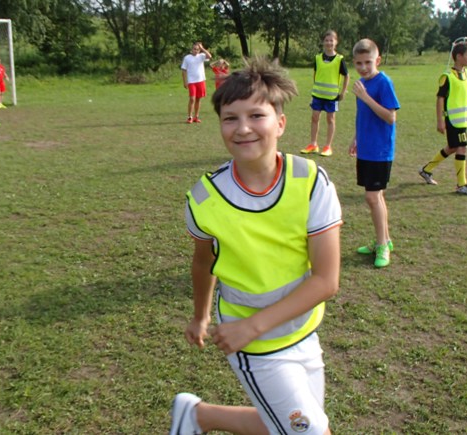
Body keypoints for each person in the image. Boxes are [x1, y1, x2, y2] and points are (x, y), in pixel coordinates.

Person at [170, 57, 342, 435]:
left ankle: (198, 416)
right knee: (310, 431)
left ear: (280, 123)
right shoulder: (204, 198)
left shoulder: (311, 181)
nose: (243, 128)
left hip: (302, 329)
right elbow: (203, 262)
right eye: (230, 118)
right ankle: (196, 416)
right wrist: (201, 316)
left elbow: (326, 280)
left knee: (298, 427)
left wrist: (255, 325)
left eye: (256, 115)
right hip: (253, 342)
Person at [348, 39, 400, 268]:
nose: (363, 68)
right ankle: (384, 240)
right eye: (359, 63)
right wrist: (356, 138)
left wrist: (366, 97)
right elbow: (364, 115)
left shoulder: (383, 82)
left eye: (368, 62)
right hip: (367, 148)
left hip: (380, 150)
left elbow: (390, 117)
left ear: (377, 60)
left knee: (372, 197)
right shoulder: (361, 83)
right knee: (376, 197)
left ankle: (381, 246)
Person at [418, 41, 467, 196]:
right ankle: (462, 185)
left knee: (453, 147)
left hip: (463, 120)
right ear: (458, 56)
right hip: (452, 120)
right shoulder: (448, 77)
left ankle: (426, 170)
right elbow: (440, 99)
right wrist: (440, 120)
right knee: (462, 147)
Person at [300, 30, 349, 157]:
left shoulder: (339, 59)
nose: (329, 43)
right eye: (326, 40)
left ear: (336, 42)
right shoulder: (317, 58)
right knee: (314, 117)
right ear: (323, 42)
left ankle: (328, 146)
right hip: (317, 95)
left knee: (330, 119)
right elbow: (316, 74)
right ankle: (313, 144)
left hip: (332, 96)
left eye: (331, 40)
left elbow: (346, 75)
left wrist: (343, 92)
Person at [181, 42, 212, 123]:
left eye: (197, 49)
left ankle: (196, 117)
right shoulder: (187, 58)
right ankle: (189, 117)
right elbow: (183, 70)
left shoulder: (201, 56)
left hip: (200, 81)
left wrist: (202, 48)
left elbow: (209, 56)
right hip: (192, 81)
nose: (196, 51)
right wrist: (185, 82)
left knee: (198, 99)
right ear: (192, 49)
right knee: (192, 99)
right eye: (194, 49)